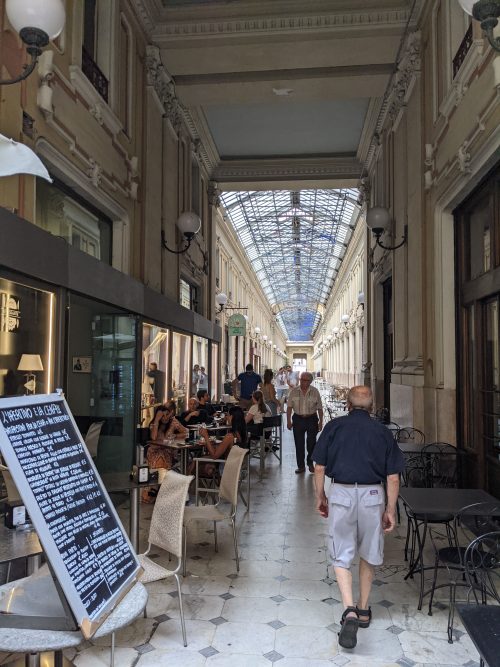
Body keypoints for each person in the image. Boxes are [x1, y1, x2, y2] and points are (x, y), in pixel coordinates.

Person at [312, 385, 405, 649]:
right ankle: (363, 609)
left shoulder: (334, 427)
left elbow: (319, 467)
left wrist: (321, 496)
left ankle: (349, 610)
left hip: (341, 492)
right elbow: (393, 477)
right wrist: (390, 509)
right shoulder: (382, 432)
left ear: (348, 405)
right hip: (372, 495)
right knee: (369, 551)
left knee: (341, 552)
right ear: (372, 407)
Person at [143, 403, 189, 502]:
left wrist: (175, 436)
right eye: (163, 415)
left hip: (169, 452)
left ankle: (157, 489)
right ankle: (161, 490)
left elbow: (186, 433)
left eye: (168, 414)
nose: (166, 417)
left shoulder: (173, 422)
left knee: (163, 458)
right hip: (154, 452)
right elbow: (153, 438)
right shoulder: (154, 424)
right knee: (161, 458)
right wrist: (156, 420)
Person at [193, 405, 247, 477]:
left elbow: (214, 456)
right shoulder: (242, 435)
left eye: (227, 415)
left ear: (232, 417)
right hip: (236, 469)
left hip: (225, 470)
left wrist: (206, 436)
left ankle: (187, 482)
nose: (226, 417)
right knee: (202, 460)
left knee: (194, 463)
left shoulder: (230, 436)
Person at [286, 371, 323, 474]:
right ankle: (301, 466)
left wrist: (320, 422)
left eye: (305, 380)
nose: (302, 382)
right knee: (299, 444)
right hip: (298, 419)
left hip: (312, 419)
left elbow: (320, 408)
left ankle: (310, 463)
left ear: (310, 381)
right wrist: (288, 421)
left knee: (311, 443)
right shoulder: (294, 391)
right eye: (301, 379)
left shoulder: (315, 391)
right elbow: (289, 407)